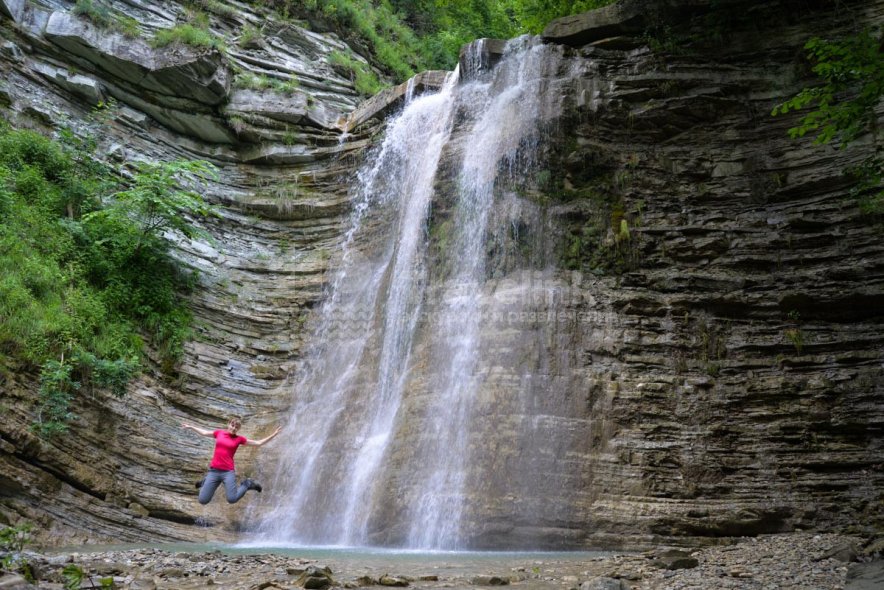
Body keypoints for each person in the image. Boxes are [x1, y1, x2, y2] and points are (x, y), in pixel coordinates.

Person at [181, 417, 281, 505]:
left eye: (236, 427)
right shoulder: (219, 433)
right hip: (214, 471)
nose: (233, 428)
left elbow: (258, 443)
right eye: (232, 425)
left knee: (232, 499)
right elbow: (204, 432)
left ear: (238, 429)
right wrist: (191, 427)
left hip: (227, 472)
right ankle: (206, 481)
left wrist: (274, 434)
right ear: (228, 424)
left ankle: (247, 484)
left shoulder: (239, 439)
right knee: (203, 500)